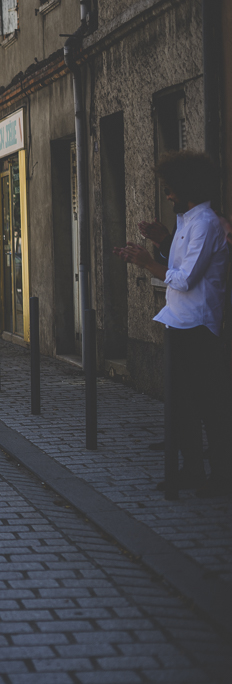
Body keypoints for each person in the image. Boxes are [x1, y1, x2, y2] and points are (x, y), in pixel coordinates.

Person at [115, 151, 231, 495]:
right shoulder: (187, 221)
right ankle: (192, 471)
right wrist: (162, 240)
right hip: (178, 323)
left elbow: (185, 279)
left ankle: (221, 477)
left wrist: (148, 264)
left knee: (208, 404)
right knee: (182, 405)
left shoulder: (207, 223)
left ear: (187, 187)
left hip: (199, 326)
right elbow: (178, 263)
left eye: (170, 188)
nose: (167, 195)